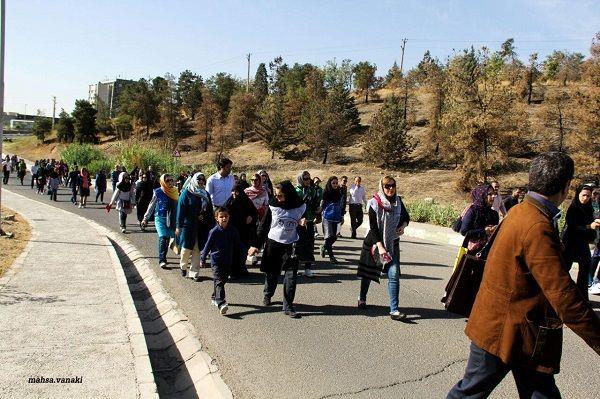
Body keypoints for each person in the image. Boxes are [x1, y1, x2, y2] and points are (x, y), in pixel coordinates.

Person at [447, 151, 600, 399]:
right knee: (470, 393)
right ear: (566, 186)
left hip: (516, 330)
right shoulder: (536, 226)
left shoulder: (520, 211)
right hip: (508, 331)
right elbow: (563, 295)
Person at [248, 181, 306, 318]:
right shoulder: (273, 206)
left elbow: (308, 220)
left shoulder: (300, 206)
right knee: (272, 273)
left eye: (280, 196)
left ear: (289, 194)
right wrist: (255, 245)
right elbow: (263, 225)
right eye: (276, 195)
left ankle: (288, 306)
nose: (277, 198)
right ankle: (268, 294)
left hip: (291, 245)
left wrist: (303, 223)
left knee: (291, 276)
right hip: (274, 243)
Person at [357, 176, 410, 320]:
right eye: (387, 186)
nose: (391, 189)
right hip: (374, 244)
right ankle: (362, 298)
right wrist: (380, 247)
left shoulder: (398, 202)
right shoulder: (374, 203)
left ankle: (394, 310)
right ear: (382, 187)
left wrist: (403, 226)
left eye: (393, 185)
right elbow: (373, 228)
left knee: (393, 275)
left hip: (392, 243)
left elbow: (406, 217)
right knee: (368, 273)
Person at [201, 207, 244, 315]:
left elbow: (238, 243)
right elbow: (207, 246)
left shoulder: (232, 230)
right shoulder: (214, 232)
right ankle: (221, 303)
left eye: (226, 216)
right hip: (216, 261)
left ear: (229, 217)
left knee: (223, 280)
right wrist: (203, 258)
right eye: (221, 216)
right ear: (216, 218)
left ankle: (214, 296)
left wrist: (245, 251)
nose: (224, 218)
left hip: (227, 260)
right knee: (219, 280)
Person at [562, 185, 600, 301]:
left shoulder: (589, 208)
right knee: (564, 269)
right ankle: (562, 297)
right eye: (583, 195)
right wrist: (589, 226)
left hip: (582, 242)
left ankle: (582, 298)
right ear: (578, 194)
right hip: (570, 242)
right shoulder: (573, 208)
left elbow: (590, 221)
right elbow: (573, 226)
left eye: (588, 196)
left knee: (585, 267)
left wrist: (596, 221)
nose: (585, 198)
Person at [177, 172, 214, 280]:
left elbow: (210, 210)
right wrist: (178, 226)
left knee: (197, 249)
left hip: (201, 226)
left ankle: (194, 272)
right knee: (186, 248)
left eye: (203, 180)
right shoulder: (187, 193)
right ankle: (183, 266)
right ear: (194, 180)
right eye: (199, 179)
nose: (201, 181)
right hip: (188, 225)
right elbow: (181, 210)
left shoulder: (205, 194)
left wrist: (206, 218)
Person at [142, 174, 179, 269]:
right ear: (163, 182)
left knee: (167, 239)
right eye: (167, 180)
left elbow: (179, 207)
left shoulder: (175, 191)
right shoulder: (158, 192)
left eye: (171, 180)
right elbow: (151, 205)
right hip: (160, 218)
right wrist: (145, 218)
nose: (170, 182)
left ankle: (164, 256)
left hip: (171, 219)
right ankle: (162, 260)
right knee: (163, 237)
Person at [224, 183, 258, 278]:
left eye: (237, 191)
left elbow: (254, 213)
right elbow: (223, 213)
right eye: (233, 191)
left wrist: (251, 217)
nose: (234, 193)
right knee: (233, 252)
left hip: (244, 231)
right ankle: (232, 271)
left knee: (242, 251)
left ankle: (242, 269)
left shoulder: (246, 201)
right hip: (232, 230)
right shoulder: (229, 202)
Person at [460, 184, 500, 255]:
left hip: (489, 253)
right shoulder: (473, 211)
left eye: (494, 194)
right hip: (471, 253)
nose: (493, 196)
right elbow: (464, 232)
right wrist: (484, 231)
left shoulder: (494, 214)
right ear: (482, 196)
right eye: (490, 194)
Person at [295, 171, 320, 277]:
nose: (308, 181)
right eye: (305, 178)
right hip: (298, 222)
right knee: (296, 245)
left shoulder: (312, 190)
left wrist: (317, 212)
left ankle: (307, 268)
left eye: (309, 178)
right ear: (301, 179)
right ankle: (294, 267)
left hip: (309, 221)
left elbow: (315, 203)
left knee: (310, 244)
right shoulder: (296, 191)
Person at [320, 176, 343, 264]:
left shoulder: (339, 192)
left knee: (335, 237)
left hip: (337, 217)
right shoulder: (326, 192)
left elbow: (341, 204)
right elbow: (322, 204)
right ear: (330, 183)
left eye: (336, 183)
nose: (335, 185)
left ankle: (324, 246)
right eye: (333, 183)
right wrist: (319, 212)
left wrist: (342, 216)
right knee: (329, 237)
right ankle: (331, 257)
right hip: (327, 218)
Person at [589, 188, 600, 295]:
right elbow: (595, 215)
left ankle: (596, 281)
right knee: (596, 256)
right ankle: (590, 280)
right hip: (598, 236)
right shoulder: (594, 204)